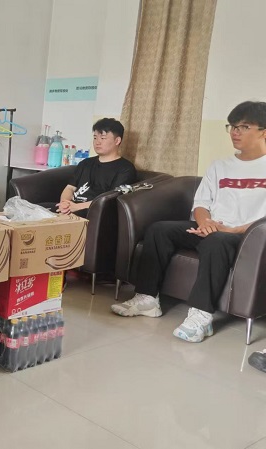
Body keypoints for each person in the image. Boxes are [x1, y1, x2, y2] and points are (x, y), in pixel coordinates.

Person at [112, 101, 266, 344]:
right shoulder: (220, 165)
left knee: (217, 242)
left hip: (246, 236)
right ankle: (148, 299)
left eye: (244, 127)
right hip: (212, 228)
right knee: (159, 230)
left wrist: (234, 229)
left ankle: (201, 315)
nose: (235, 132)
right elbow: (202, 202)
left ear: (263, 132)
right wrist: (205, 223)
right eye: (232, 126)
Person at [48, 118, 137, 218]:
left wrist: (76, 207)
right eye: (95, 138)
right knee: (37, 208)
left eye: (102, 138)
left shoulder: (125, 168)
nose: (97, 142)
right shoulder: (86, 163)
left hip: (93, 211)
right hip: (71, 207)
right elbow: (70, 187)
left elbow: (109, 200)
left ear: (117, 141)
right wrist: (64, 203)